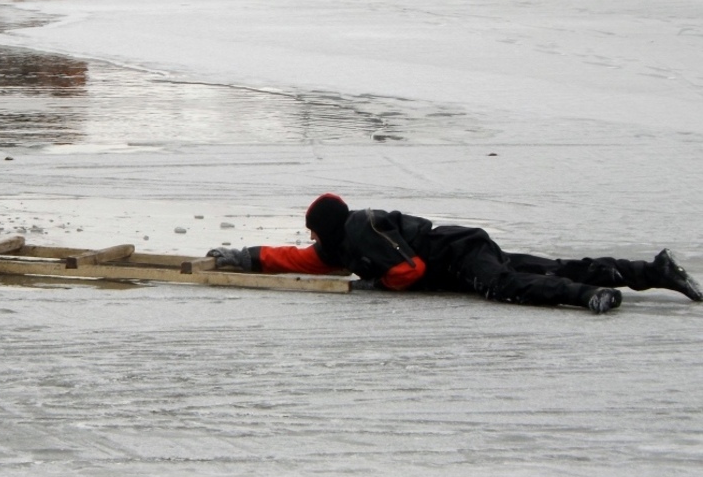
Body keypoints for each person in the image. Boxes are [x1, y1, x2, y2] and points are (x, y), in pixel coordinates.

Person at [207, 193, 702, 314]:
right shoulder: (343, 245)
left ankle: (590, 294)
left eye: (314, 233)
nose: (313, 242)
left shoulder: (362, 226)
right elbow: (295, 260)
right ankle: (651, 271)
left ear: (328, 228)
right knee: (548, 266)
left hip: (459, 254)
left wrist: (378, 284)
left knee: (508, 286)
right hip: (464, 250)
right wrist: (246, 257)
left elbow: (409, 268)